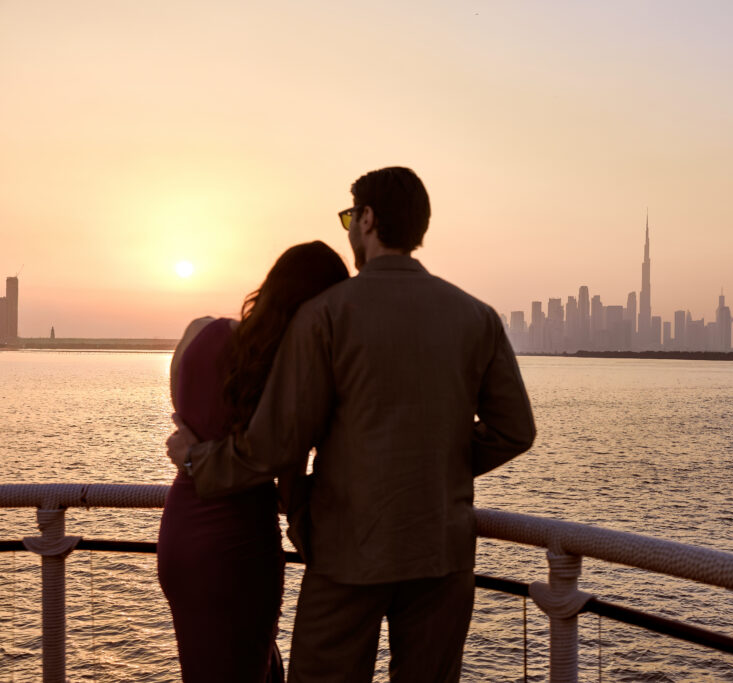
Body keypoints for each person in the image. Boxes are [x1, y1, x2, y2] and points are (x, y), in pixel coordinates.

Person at [167, 166, 535, 682]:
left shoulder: (326, 314)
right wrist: (436, 469)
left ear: (366, 218)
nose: (348, 230)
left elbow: (275, 445)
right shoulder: (477, 316)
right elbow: (515, 430)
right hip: (442, 553)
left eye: (349, 216)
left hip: (347, 554)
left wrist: (195, 458)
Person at [158, 241, 350, 682]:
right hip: (239, 546)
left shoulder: (200, 332)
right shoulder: (287, 371)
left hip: (182, 532)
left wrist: (191, 458)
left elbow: (182, 419)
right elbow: (285, 467)